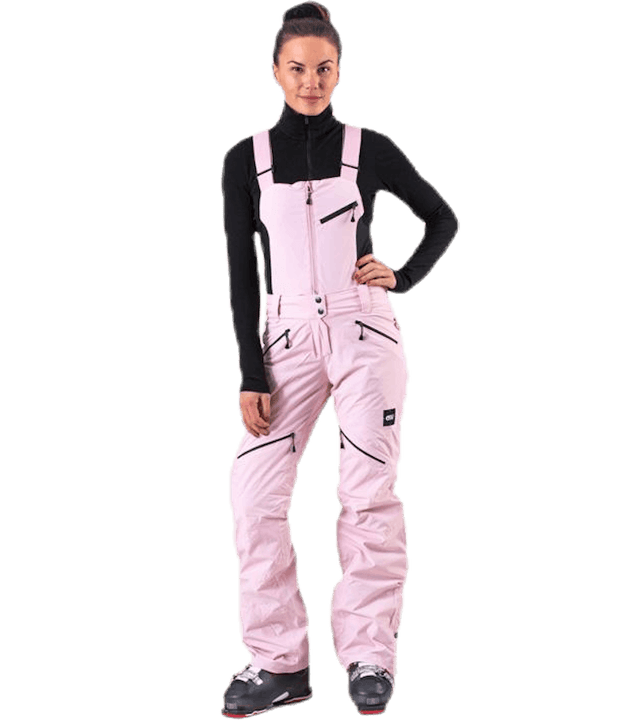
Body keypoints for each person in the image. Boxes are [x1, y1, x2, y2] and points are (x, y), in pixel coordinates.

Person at [219, 2, 459, 716]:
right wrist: (250, 373)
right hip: (285, 338)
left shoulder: (369, 149)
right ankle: (280, 663)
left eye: (324, 68)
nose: (311, 82)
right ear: (275, 70)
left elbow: (442, 218)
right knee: (253, 496)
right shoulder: (245, 160)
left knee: (367, 493)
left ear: (339, 71)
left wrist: (403, 277)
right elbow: (242, 274)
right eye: (297, 68)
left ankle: (368, 655)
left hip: (364, 335)